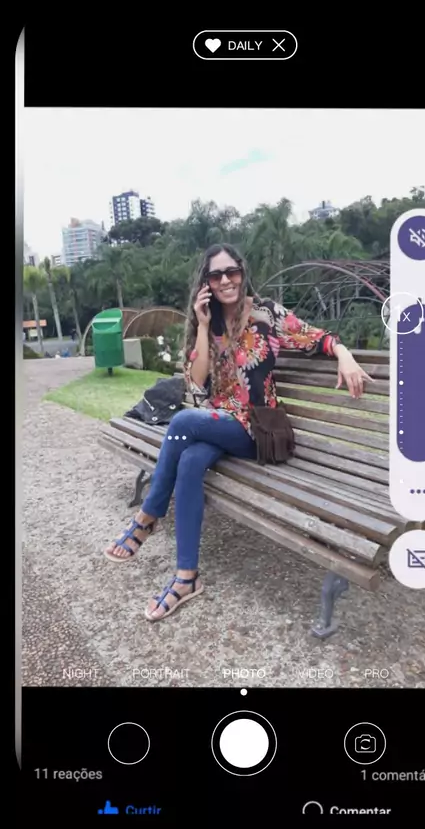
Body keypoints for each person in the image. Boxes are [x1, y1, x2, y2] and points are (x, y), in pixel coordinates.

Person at [105, 244, 373, 622]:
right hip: (221, 424)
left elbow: (315, 337)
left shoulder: (266, 313)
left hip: (258, 430)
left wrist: (344, 354)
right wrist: (201, 325)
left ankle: (147, 518)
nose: (226, 281)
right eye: (216, 275)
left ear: (242, 272)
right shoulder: (209, 325)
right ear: (206, 284)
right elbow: (196, 383)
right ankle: (186, 577)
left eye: (231, 272)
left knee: (181, 423)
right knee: (190, 461)